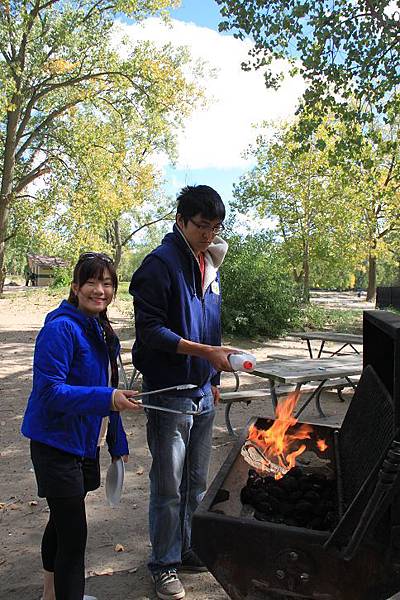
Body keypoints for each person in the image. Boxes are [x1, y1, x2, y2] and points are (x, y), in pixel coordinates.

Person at [129, 185, 235, 600]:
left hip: (202, 390)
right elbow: (150, 332)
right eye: (202, 226)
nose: (209, 234)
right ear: (181, 220)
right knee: (168, 484)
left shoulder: (210, 263)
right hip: (169, 390)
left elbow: (213, 328)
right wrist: (204, 352)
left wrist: (214, 378)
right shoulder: (158, 265)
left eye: (216, 227)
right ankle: (164, 564)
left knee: (195, 481)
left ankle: (187, 548)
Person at [21, 252, 141, 600]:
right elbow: (50, 393)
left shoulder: (100, 328)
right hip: (55, 445)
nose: (100, 290)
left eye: (107, 283)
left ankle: (49, 594)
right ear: (75, 286)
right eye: (91, 282)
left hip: (85, 444)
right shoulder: (60, 329)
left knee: (60, 524)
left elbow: (110, 384)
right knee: (74, 539)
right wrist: (108, 398)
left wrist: (117, 444)